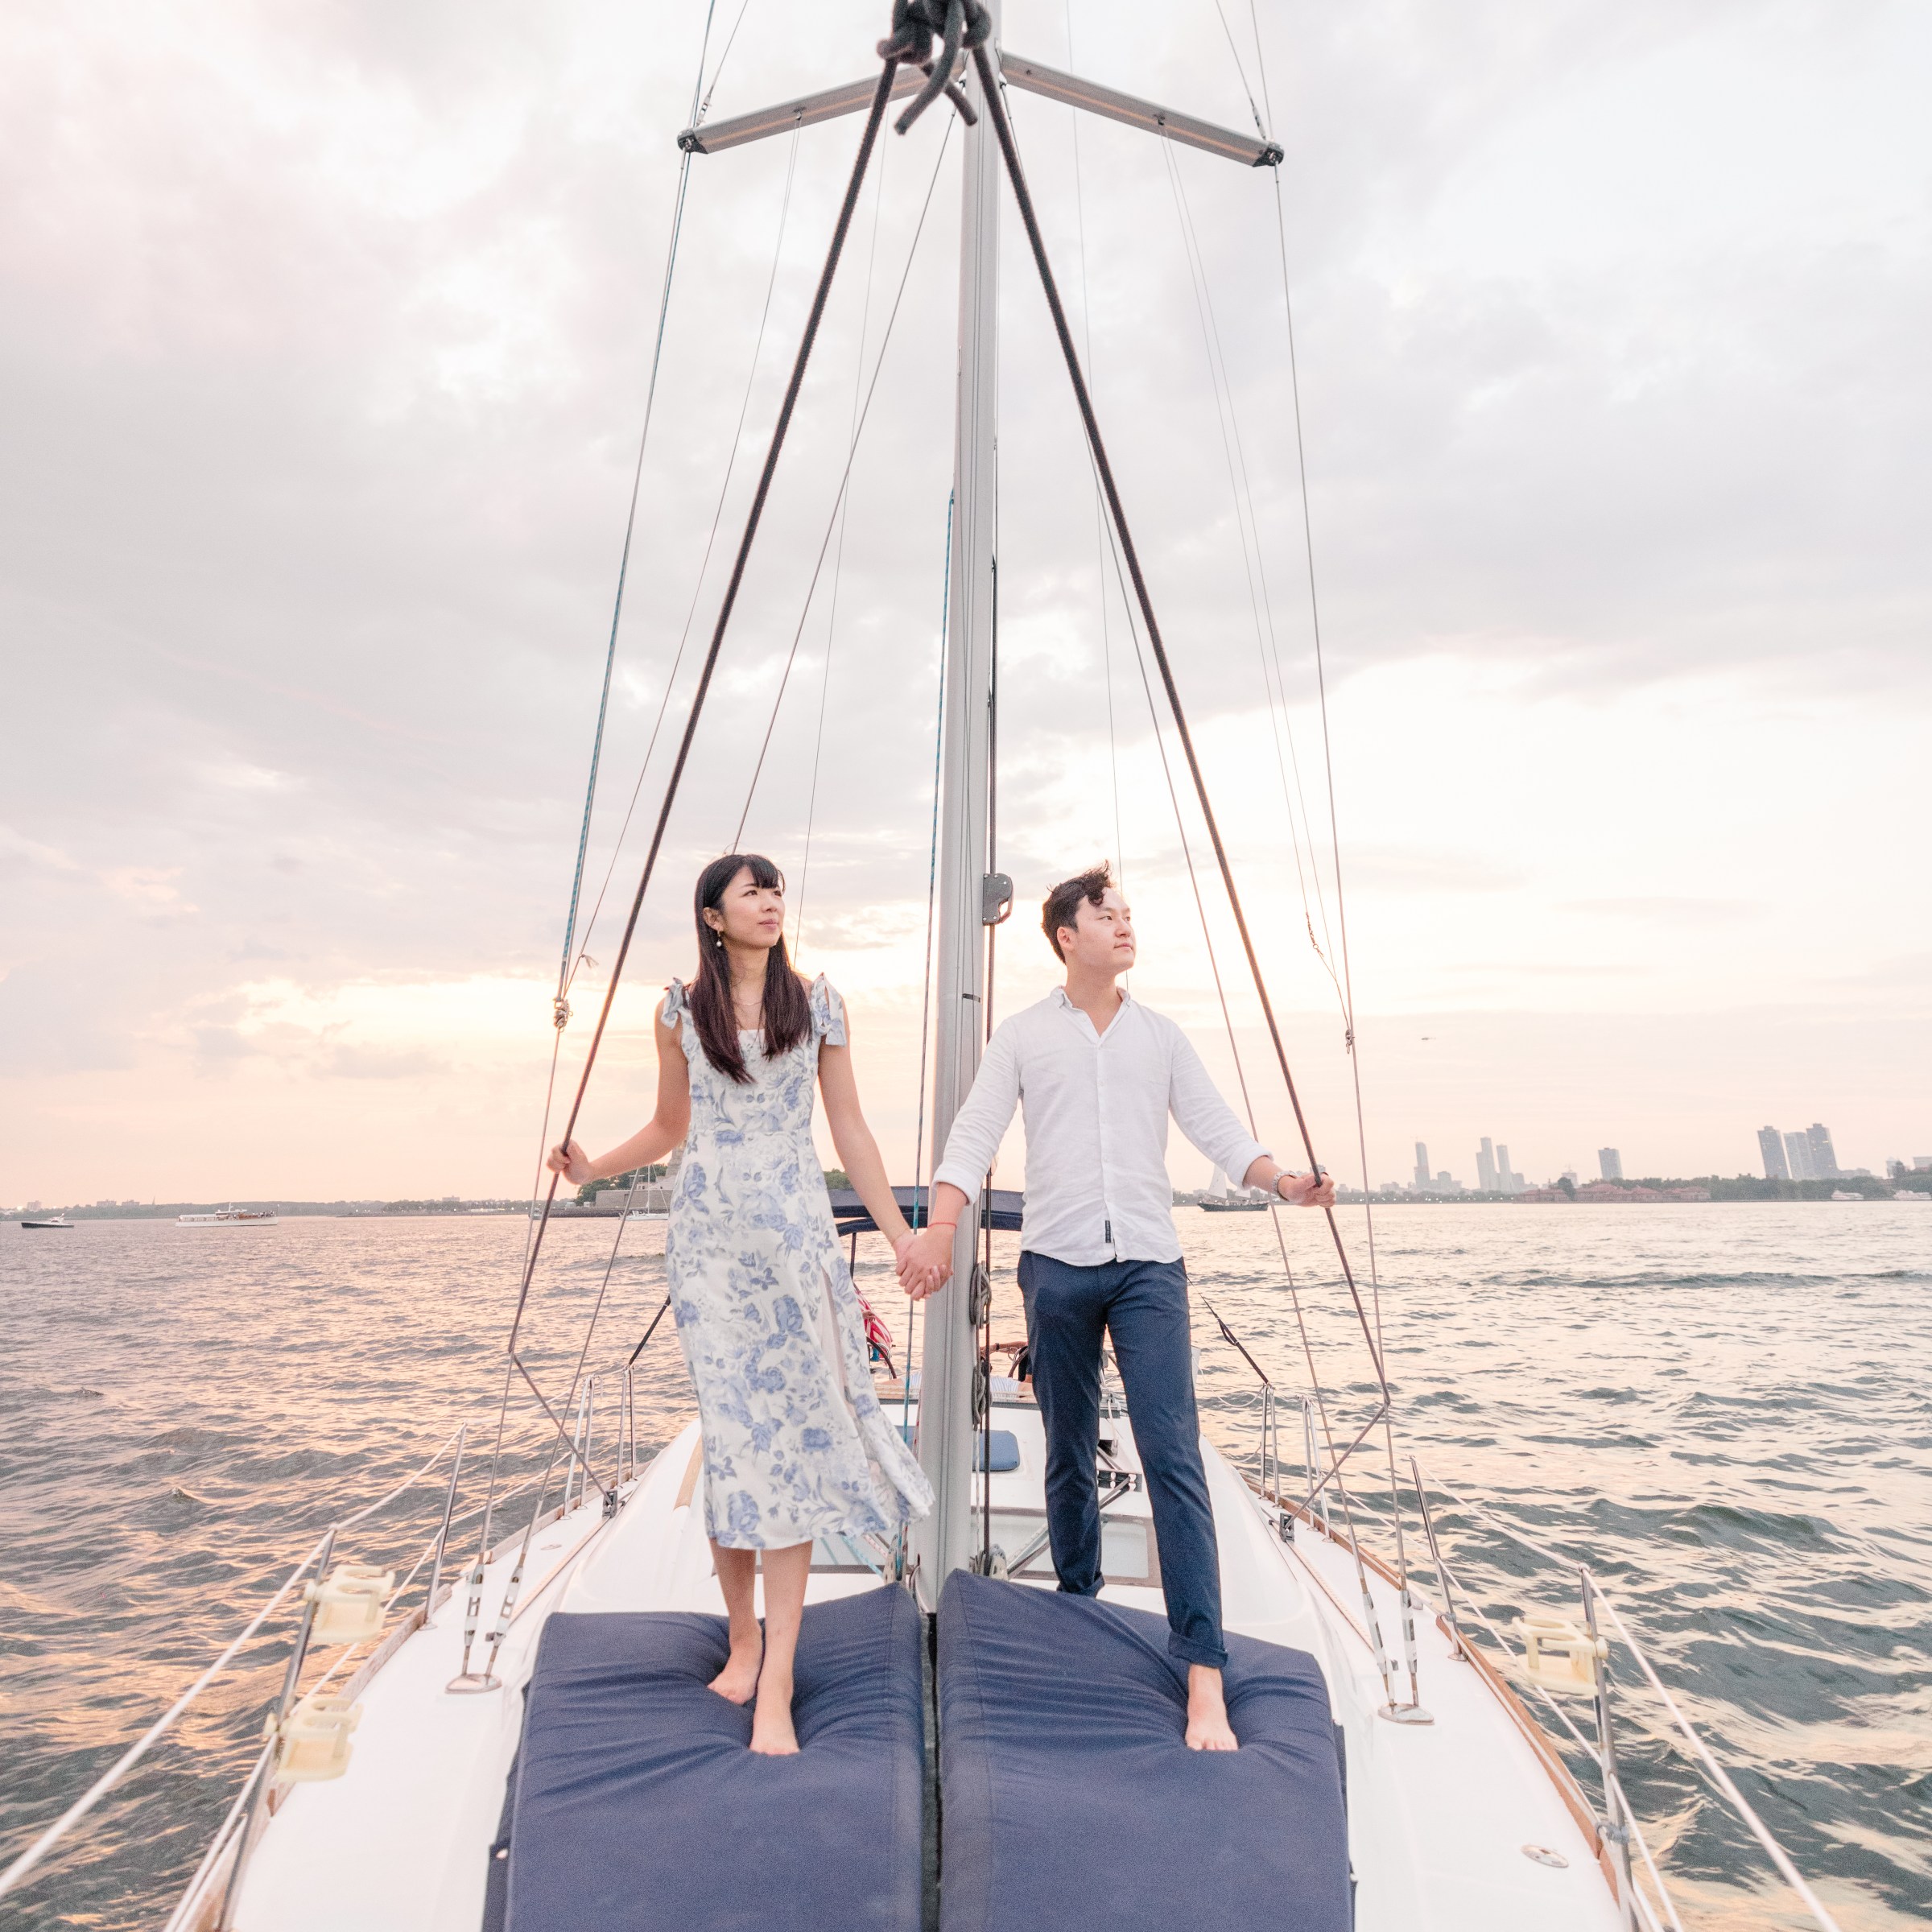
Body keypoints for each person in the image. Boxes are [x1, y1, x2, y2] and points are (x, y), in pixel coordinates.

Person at [898, 864, 1335, 1752]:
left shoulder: (1162, 1037)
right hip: (1055, 1266)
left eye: (1129, 914)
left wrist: (1283, 1180)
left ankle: (1202, 1673)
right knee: (1067, 1454)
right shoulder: (1023, 1035)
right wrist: (940, 1228)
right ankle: (1079, 1612)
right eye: (1108, 915)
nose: (1125, 925)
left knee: (1174, 1454)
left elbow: (1217, 1130)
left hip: (1148, 1267)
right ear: (1068, 935)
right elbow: (974, 1136)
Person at [549, 852, 938, 1754]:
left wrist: (898, 1234)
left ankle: (781, 1683)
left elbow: (850, 1129)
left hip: (796, 1243)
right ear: (714, 917)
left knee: (793, 1447)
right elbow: (671, 1126)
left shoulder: (820, 1004)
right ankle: (740, 1637)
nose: (770, 902)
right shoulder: (678, 1012)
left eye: (776, 891)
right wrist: (594, 1168)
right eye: (751, 892)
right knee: (732, 1444)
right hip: (709, 1250)